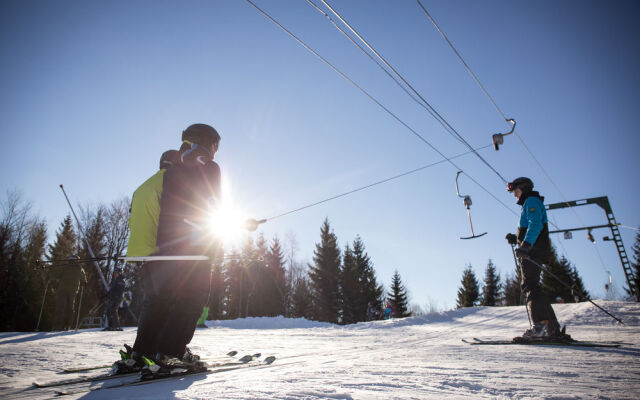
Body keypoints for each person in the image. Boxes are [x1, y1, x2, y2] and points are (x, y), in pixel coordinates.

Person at [114, 123, 222, 377]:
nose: (216, 152)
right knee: (192, 297)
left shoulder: (171, 166)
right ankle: (171, 352)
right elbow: (208, 206)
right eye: (216, 145)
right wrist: (213, 246)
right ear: (207, 142)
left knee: (158, 300)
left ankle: (145, 352)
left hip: (158, 247)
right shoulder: (207, 166)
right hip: (190, 247)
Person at [505, 177, 567, 340]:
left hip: (533, 250)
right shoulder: (530, 202)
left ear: (523, 188)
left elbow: (535, 225)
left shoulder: (531, 201)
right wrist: (516, 239)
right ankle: (551, 327)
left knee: (530, 285)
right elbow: (530, 226)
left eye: (516, 191)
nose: (514, 195)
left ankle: (541, 326)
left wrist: (525, 245)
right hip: (534, 248)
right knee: (534, 286)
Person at [52, 262, 86, 331]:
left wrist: (52, 278)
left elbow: (58, 274)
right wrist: (84, 282)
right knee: (70, 307)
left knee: (61, 306)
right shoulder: (80, 268)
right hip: (72, 290)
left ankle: (58, 325)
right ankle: (67, 325)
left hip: (63, 289)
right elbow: (83, 278)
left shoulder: (65, 266)